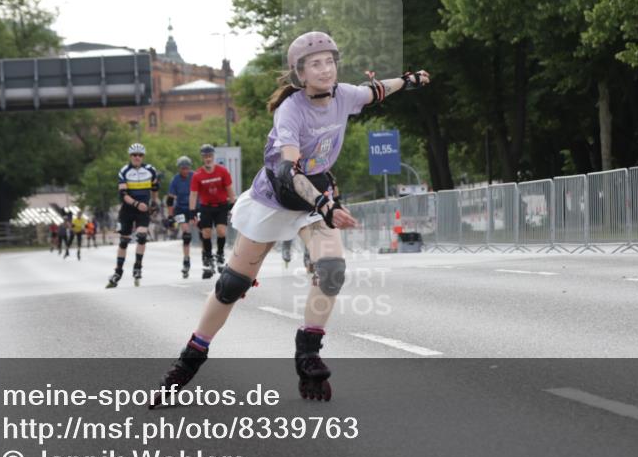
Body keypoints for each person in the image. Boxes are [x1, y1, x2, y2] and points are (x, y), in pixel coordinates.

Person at [151, 31, 430, 405]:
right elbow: (287, 171)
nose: (326, 69)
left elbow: (375, 90)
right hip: (276, 197)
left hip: (314, 200)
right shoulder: (291, 110)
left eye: (330, 61)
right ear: (300, 73)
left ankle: (308, 353)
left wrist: (408, 81)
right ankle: (188, 361)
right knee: (233, 284)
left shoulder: (344, 95)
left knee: (331, 270)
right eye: (316, 64)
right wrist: (326, 206)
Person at [106, 143, 160, 288]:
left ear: (143, 157)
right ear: (130, 156)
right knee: (124, 241)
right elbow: (123, 195)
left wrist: (154, 202)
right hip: (128, 209)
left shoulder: (151, 170)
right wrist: (136, 204)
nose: (137, 157)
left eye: (140, 155)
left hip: (143, 210)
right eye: (134, 155)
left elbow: (155, 188)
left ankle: (137, 267)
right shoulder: (124, 171)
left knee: (142, 237)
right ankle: (118, 272)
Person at [190, 143, 236, 278]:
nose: (208, 159)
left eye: (210, 156)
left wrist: (232, 204)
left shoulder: (222, 171)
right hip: (206, 207)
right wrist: (192, 211)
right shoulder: (197, 175)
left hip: (221, 205)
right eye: (205, 156)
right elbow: (193, 194)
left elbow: (229, 189)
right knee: (206, 233)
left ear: (213, 156)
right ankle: (208, 258)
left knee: (221, 231)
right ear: (202, 158)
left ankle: (220, 254)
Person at [167, 156, 197, 278]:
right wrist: (170, 216)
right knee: (186, 234)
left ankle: (208, 257)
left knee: (204, 231)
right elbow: (170, 200)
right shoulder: (175, 180)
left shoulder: (194, 176)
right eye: (182, 168)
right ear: (179, 169)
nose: (185, 171)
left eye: (187, 168)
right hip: (180, 209)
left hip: (194, 207)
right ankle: (186, 261)